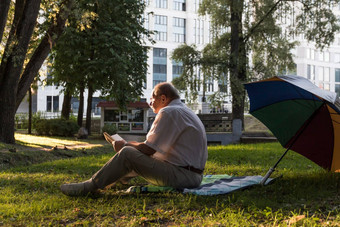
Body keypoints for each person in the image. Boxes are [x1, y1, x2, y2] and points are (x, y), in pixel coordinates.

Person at [60, 82, 208, 196]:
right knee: (134, 154)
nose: (150, 103)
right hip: (192, 176)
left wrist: (125, 146)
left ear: (163, 98)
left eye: (152, 98)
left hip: (183, 177)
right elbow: (153, 149)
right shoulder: (183, 111)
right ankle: (119, 180)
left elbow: (148, 149)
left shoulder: (168, 112)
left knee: (127, 154)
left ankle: (90, 186)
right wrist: (127, 144)